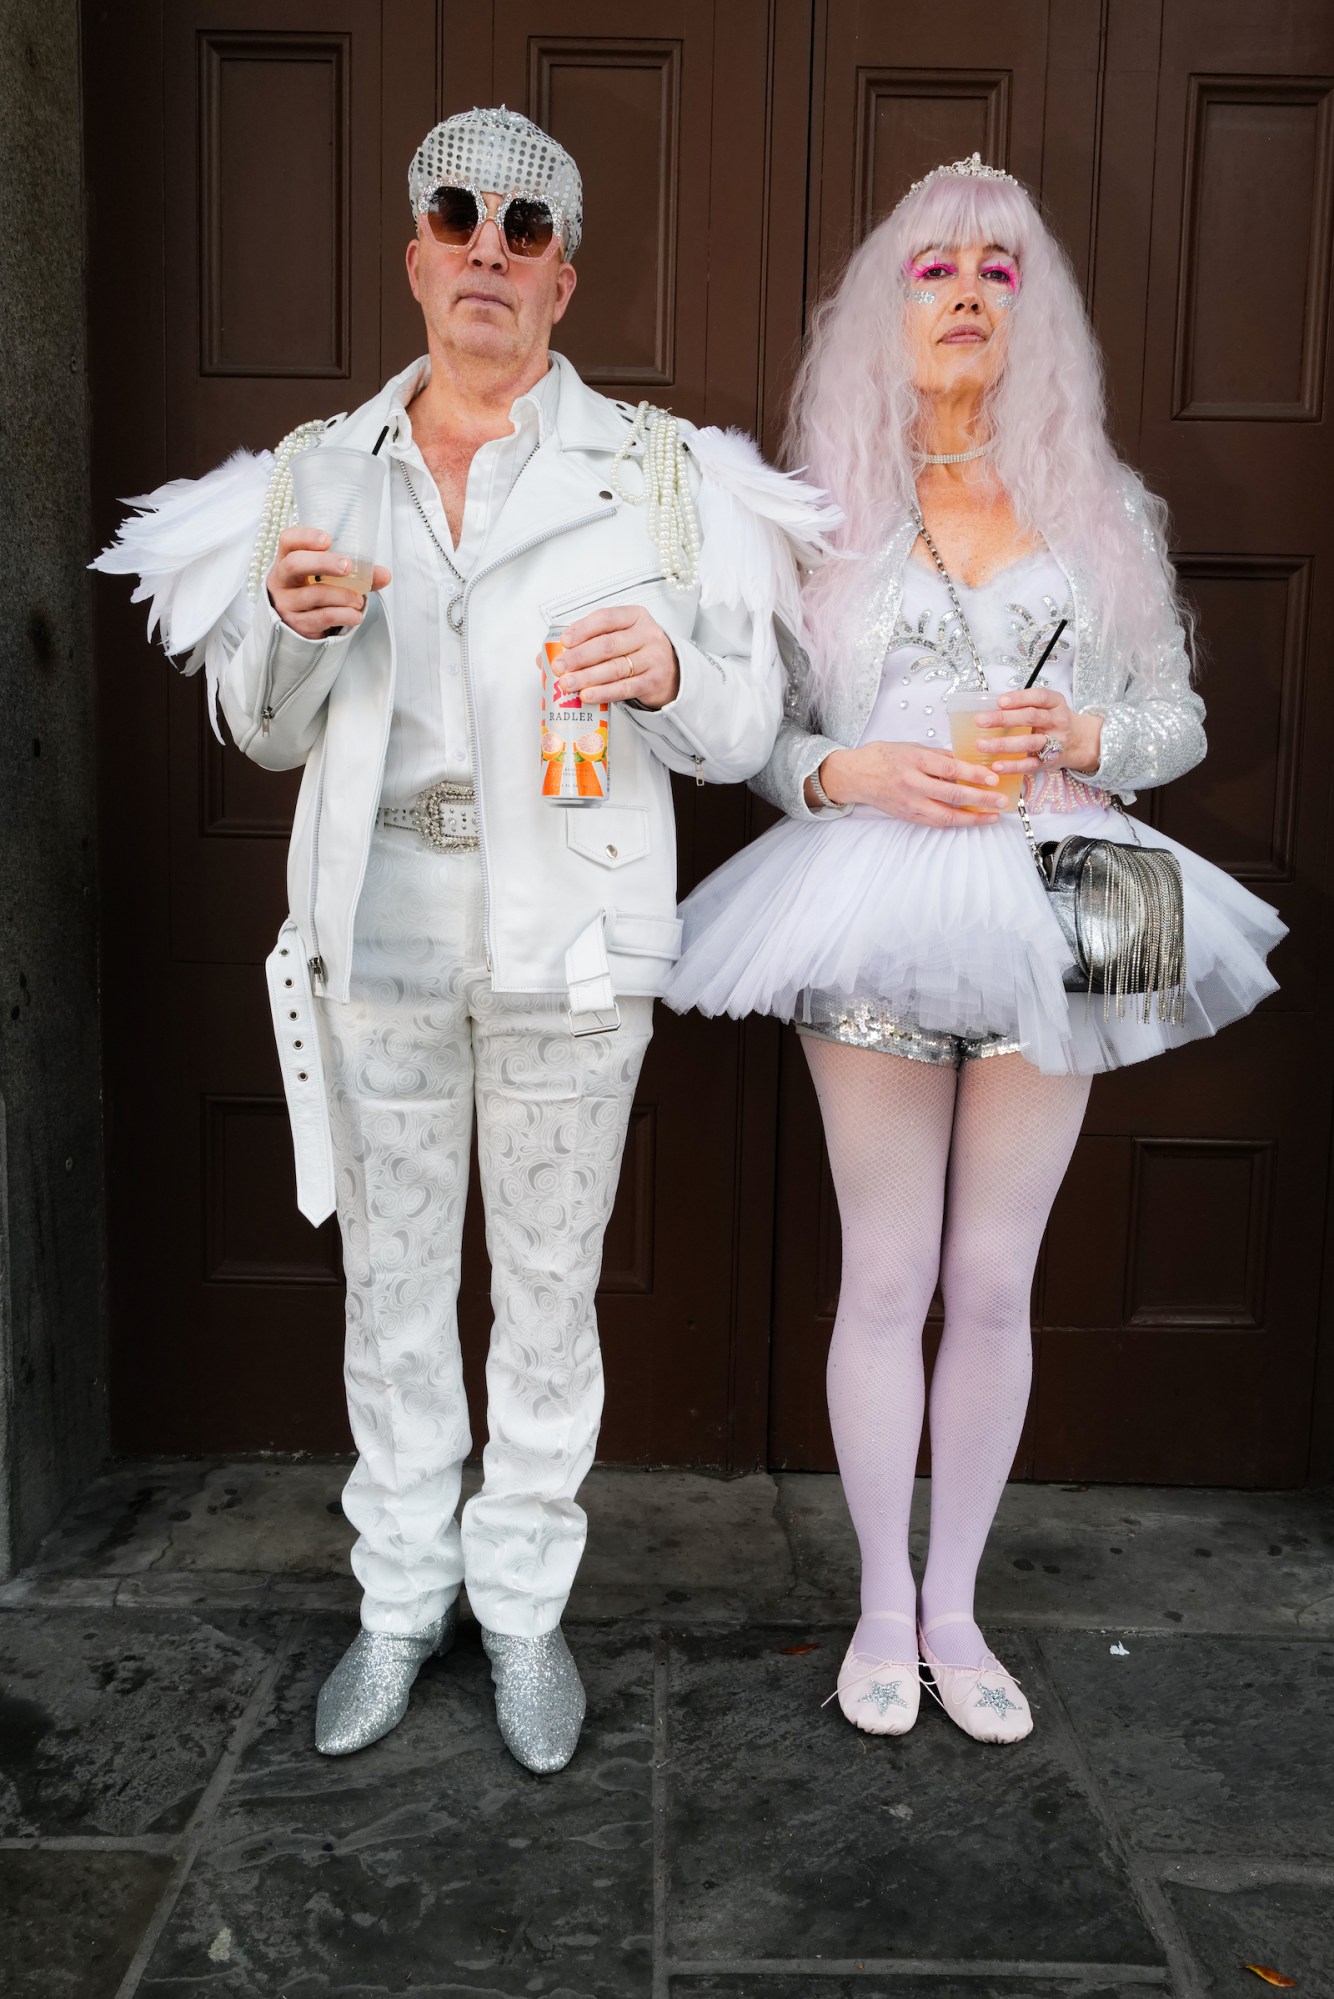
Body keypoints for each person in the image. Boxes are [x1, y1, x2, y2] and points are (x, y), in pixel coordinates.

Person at [94, 106, 830, 1771]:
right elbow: (263, 730)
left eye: (521, 228)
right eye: (456, 216)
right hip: (382, 940)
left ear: (562, 278)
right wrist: (282, 634)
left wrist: (673, 678)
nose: (485, 248)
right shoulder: (311, 475)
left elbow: (740, 725)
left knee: (549, 1295)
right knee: (394, 1291)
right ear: (415, 257)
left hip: (568, 946)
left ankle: (520, 1614)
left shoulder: (658, 473)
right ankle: (400, 1601)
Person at [664, 155, 1284, 1745]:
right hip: (870, 886)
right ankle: (880, 1607)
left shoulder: (1094, 509)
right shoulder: (816, 516)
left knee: (994, 1280)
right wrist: (855, 769)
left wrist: (1084, 728)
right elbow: (756, 738)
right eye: (932, 268)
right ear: (887, 305)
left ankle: (957, 1608)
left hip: (1068, 885)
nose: (959, 292)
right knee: (885, 1274)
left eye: (995, 273)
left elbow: (1174, 718)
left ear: (1031, 319)